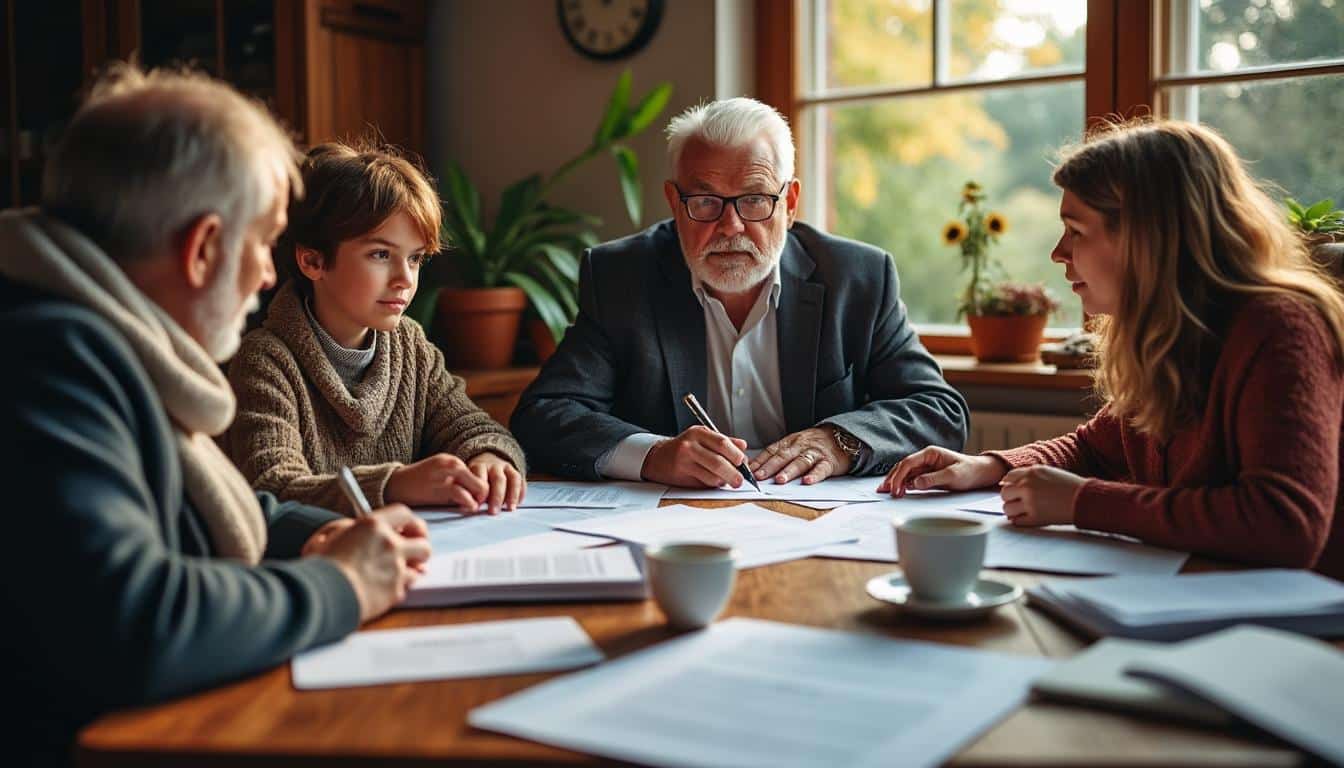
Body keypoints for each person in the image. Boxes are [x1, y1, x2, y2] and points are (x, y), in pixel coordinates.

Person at [0, 65, 430, 766]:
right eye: (262, 243)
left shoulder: (93, 339)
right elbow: (136, 623)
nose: (267, 275)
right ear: (202, 250)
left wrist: (332, 534)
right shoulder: (49, 360)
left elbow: (203, 504)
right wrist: (343, 584)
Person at [880, 119, 1344, 579]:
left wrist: (1084, 502)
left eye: (1076, 231)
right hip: (1197, 594)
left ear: (1148, 239)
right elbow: (1093, 448)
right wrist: (987, 465)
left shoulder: (1280, 329)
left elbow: (1286, 524)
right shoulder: (1166, 336)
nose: (1058, 253)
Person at [511, 97, 969, 489]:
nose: (730, 227)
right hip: (671, 535)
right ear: (674, 204)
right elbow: (544, 415)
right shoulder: (622, 277)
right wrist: (653, 456)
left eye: (754, 200)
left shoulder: (857, 278)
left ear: (789, 204)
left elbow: (939, 410)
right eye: (705, 202)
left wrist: (837, 441)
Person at [225, 141, 527, 516]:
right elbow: (272, 489)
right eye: (381, 255)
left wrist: (489, 455)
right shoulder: (265, 361)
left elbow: (471, 425)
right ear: (312, 261)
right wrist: (394, 484)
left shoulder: (411, 346)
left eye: (415, 258)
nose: (405, 279)